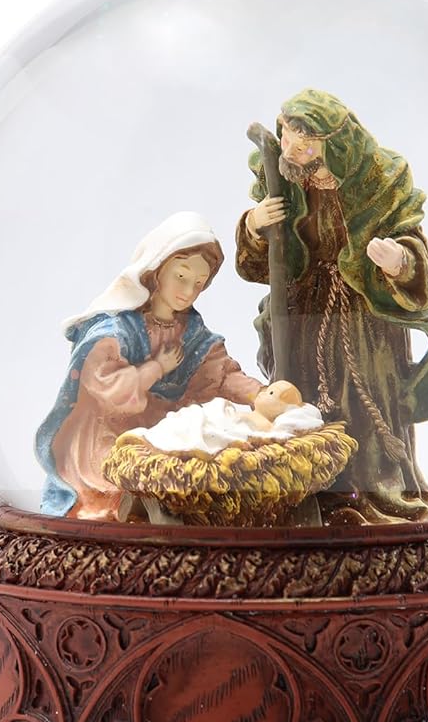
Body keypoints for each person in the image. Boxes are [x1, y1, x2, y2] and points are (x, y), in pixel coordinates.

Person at [235, 88, 428, 524]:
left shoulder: (378, 181)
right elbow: (263, 264)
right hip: (305, 311)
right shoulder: (284, 180)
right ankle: (312, 492)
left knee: (365, 400)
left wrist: (398, 260)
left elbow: (414, 247)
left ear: (335, 144)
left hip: (363, 317)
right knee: (304, 395)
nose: (291, 149)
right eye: (286, 136)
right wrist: (253, 225)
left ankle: (377, 488)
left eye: (305, 142)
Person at [36, 211, 262, 519]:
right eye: (181, 277)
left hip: (159, 430)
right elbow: (105, 387)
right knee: (128, 481)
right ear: (157, 270)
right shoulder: (116, 330)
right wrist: (155, 368)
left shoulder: (191, 332)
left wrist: (260, 395)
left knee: (201, 472)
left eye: (198, 283)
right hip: (107, 432)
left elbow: (220, 374)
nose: (188, 292)